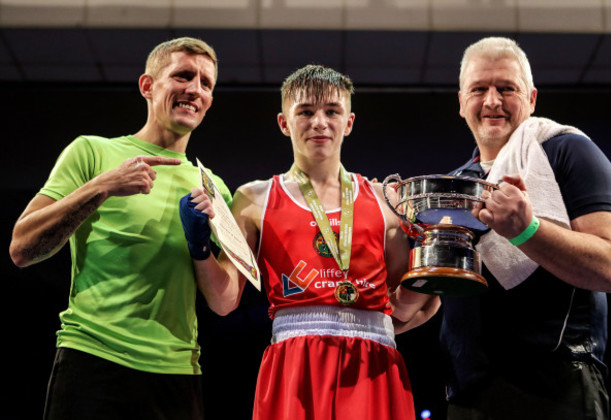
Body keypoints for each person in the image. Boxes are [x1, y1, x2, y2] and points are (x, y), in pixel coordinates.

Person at [179, 64, 440, 420]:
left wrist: (436, 261)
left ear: (348, 122)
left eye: (332, 111)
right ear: (284, 122)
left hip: (373, 364)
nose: (319, 122)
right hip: (294, 364)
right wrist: (199, 247)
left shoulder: (386, 200)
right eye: (305, 112)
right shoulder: (254, 198)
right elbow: (223, 301)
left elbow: (413, 308)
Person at [9, 37, 231, 420]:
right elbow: (22, 249)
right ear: (148, 86)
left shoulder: (213, 188)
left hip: (175, 373)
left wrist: (200, 246)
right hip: (92, 359)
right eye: (182, 75)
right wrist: (102, 186)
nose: (194, 90)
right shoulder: (93, 153)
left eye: (205, 83)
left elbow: (223, 302)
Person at [437, 36, 611, 419]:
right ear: (461, 103)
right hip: (468, 394)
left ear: (532, 98)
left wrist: (526, 230)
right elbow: (427, 300)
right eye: (479, 89)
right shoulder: (455, 185)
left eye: (506, 88)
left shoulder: (568, 151)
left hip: (558, 387)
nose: (492, 100)